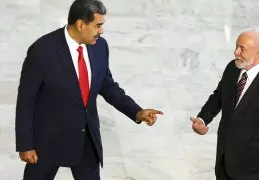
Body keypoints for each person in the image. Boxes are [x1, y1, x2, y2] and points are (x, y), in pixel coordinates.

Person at [15, 0, 163, 179]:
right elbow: (26, 101)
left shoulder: (100, 46)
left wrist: (137, 111)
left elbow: (107, 85)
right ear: (80, 25)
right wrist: (25, 144)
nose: (101, 31)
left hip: (86, 139)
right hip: (47, 142)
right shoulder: (42, 51)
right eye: (97, 25)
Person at [190, 28, 259, 180]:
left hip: (255, 168)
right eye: (236, 46)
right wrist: (202, 119)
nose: (236, 52)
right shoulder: (232, 68)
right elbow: (219, 96)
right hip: (224, 159)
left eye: (242, 49)